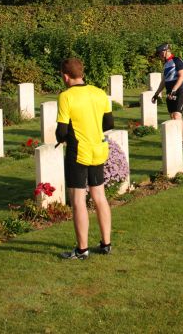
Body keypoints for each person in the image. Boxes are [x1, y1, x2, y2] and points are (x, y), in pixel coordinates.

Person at [56, 57, 114, 260]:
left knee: (78, 199)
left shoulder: (66, 96)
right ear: (82, 73)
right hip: (98, 148)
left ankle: (82, 249)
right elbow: (108, 123)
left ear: (65, 76)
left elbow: (61, 131)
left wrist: (64, 136)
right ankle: (106, 243)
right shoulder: (99, 93)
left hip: (78, 152)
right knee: (99, 196)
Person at [152, 43, 183, 147]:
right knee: (172, 116)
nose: (159, 56)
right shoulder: (166, 64)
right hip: (169, 91)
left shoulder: (177, 60)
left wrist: (174, 89)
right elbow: (164, 81)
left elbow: (181, 76)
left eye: (159, 53)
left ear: (165, 51)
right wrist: (157, 93)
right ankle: (175, 138)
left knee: (177, 115)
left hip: (179, 90)